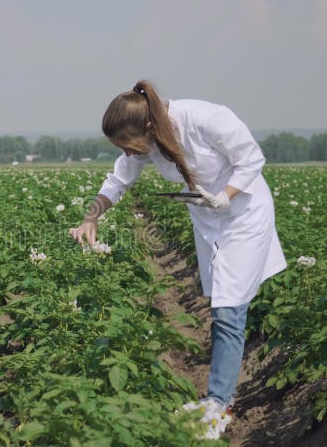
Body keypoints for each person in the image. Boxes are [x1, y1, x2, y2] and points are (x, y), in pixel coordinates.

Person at [69, 80, 287, 440]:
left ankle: (219, 406)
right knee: (222, 301)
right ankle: (215, 402)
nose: (129, 152)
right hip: (209, 219)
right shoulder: (146, 144)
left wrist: (225, 195)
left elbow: (252, 159)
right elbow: (116, 182)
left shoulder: (205, 117)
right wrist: (91, 217)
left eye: (128, 144)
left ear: (148, 128)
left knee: (229, 309)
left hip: (244, 214)